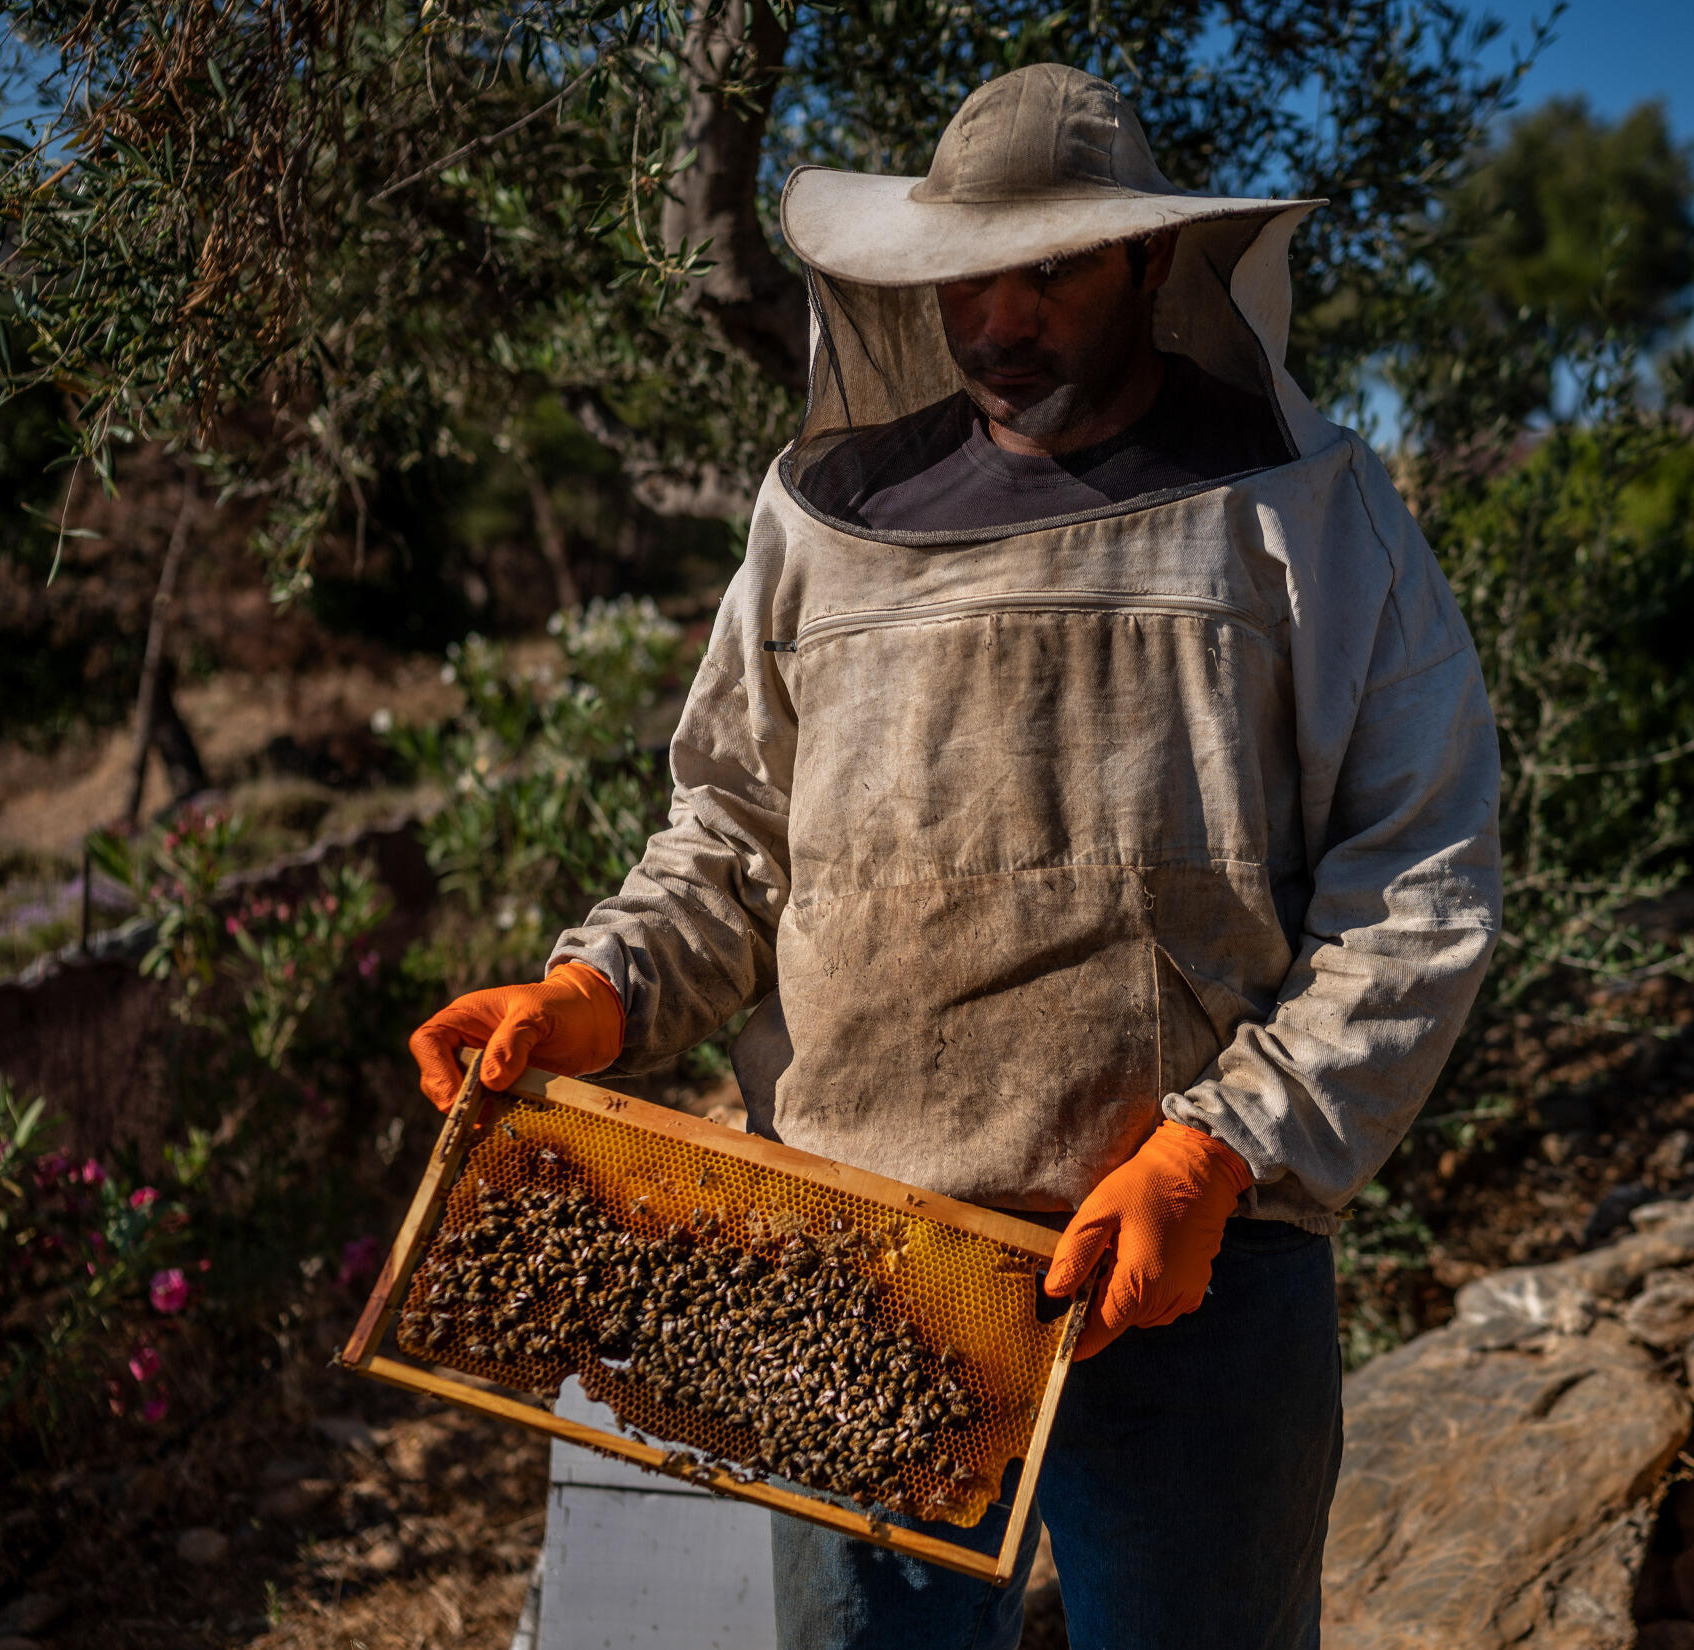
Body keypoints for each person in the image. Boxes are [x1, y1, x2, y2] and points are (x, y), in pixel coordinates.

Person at [409, 62, 1501, 1650]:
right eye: (964, 275)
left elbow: (1419, 879)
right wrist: (593, 993)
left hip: (1186, 1265)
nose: (998, 317)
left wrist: (1222, 1150)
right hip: (855, 1265)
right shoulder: (826, 513)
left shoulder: (1303, 507)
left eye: (1048, 269)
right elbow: (731, 836)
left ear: (1145, 259)